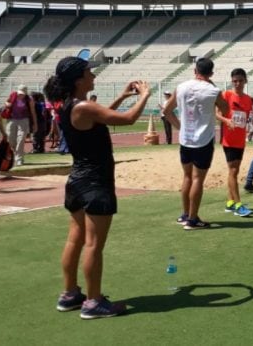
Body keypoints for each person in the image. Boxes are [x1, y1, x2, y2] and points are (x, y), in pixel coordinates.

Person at [46, 56, 150, 319]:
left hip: (78, 181)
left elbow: (103, 117)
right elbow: (126, 120)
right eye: (89, 72)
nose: (93, 75)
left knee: (75, 239)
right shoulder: (83, 107)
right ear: (79, 79)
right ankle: (93, 302)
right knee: (93, 245)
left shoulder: (73, 105)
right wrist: (144, 96)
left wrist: (125, 95)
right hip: (95, 182)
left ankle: (69, 294)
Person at [163, 58, 229, 230]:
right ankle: (192, 219)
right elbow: (226, 108)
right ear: (211, 73)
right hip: (203, 140)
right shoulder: (213, 90)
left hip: (186, 139)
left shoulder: (182, 87)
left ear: (195, 70)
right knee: (198, 179)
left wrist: (180, 128)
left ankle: (185, 214)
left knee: (187, 177)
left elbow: (166, 111)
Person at [216, 68, 253, 216]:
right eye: (235, 81)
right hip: (229, 140)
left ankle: (230, 202)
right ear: (232, 81)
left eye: (240, 80)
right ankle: (238, 205)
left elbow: (250, 117)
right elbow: (217, 114)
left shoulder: (248, 99)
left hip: (240, 140)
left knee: (235, 171)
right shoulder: (226, 95)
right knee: (233, 171)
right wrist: (226, 120)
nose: (237, 83)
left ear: (245, 81)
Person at [4, 84, 37, 166]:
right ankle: (16, 154)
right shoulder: (13, 95)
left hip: (24, 120)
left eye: (22, 93)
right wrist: (7, 104)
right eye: (20, 93)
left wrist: (35, 124)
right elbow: (6, 101)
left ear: (25, 93)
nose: (20, 95)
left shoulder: (29, 99)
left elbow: (33, 112)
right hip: (11, 119)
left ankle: (19, 158)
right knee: (11, 140)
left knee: (21, 139)